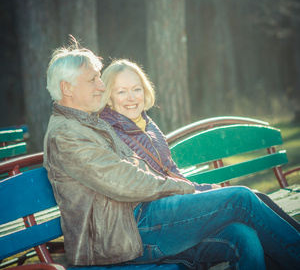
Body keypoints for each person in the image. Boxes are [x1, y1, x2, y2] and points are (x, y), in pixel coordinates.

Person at [44, 39, 300, 270]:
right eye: (93, 80)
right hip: (123, 234)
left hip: (140, 216)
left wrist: (186, 189)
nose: (101, 86)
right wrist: (183, 189)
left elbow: (136, 169)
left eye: (100, 78)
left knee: (241, 236)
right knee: (240, 198)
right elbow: (122, 180)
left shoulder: (88, 123)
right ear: (67, 87)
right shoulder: (66, 134)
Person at [98, 59, 300, 235]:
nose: (132, 98)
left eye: (136, 89)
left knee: (252, 209)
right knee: (242, 197)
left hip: (178, 200)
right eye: (121, 92)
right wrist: (202, 191)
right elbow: (149, 185)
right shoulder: (113, 135)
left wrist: (204, 189)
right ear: (108, 97)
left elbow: (172, 172)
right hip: (155, 215)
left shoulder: (147, 125)